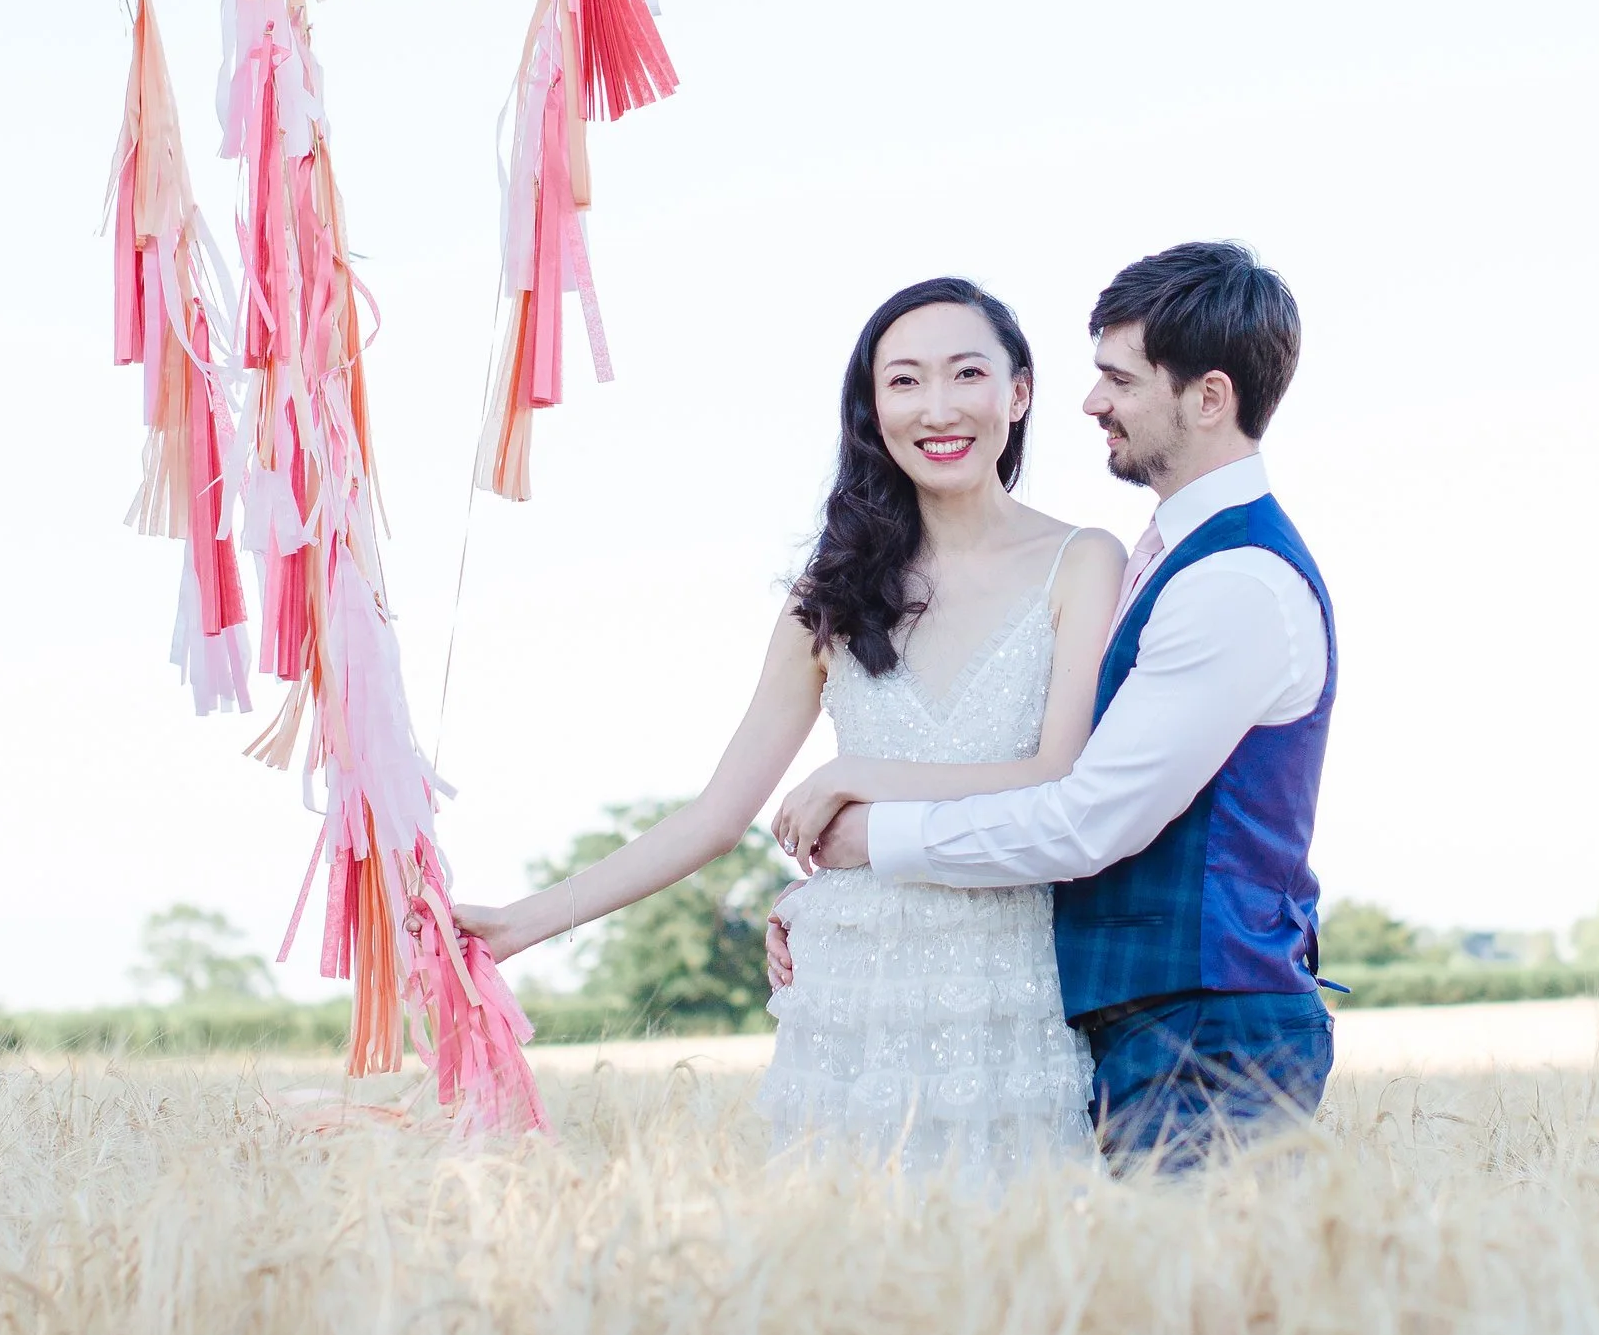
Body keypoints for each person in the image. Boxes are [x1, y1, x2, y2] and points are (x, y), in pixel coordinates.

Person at [452, 277, 1123, 1186]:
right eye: (903, 382)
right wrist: (518, 926)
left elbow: (1060, 775)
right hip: (847, 998)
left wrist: (860, 771)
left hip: (1011, 989)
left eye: (966, 373)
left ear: (1019, 392)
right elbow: (715, 818)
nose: (938, 408)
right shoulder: (833, 596)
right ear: (872, 409)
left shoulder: (1084, 561)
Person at [773, 240, 1336, 1169]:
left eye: (1118, 378)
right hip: (1142, 1023)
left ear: (1208, 397)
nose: (1092, 402)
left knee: (1191, 1310)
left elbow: (1084, 821)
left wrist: (868, 842)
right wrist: (840, 903)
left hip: (1208, 1034)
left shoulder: (1232, 581)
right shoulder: (1166, 554)